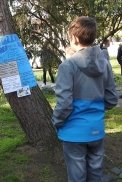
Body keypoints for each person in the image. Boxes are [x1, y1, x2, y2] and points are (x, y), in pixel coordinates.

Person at [52, 16, 118, 182]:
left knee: (77, 177)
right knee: (96, 175)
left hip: (73, 132)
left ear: (74, 38)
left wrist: (56, 122)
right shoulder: (105, 64)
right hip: (96, 129)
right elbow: (111, 99)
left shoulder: (68, 66)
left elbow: (64, 104)